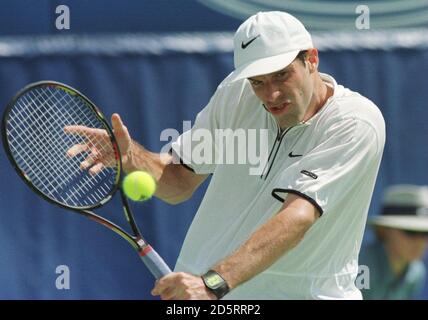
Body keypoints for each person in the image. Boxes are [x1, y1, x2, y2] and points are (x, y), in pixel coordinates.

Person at [65, 11, 385, 299]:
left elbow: (296, 218)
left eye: (281, 75)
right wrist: (131, 155)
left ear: (311, 59)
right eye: (258, 81)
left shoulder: (355, 122)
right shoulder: (236, 94)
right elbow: (178, 182)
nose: (271, 94)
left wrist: (213, 283)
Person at [358, 185, 428, 300]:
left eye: (426, 233)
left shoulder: (417, 273)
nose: (420, 242)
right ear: (385, 231)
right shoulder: (358, 265)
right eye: (411, 231)